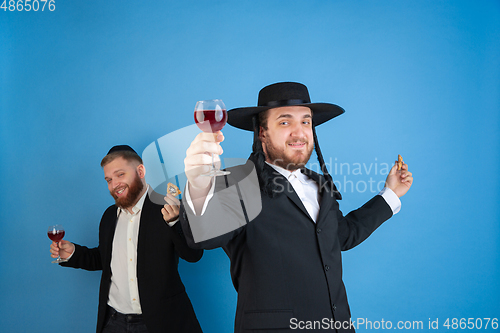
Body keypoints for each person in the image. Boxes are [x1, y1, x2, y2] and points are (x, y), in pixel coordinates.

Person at [177, 82, 413, 332]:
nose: (299, 133)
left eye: (306, 122)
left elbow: (342, 235)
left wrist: (390, 194)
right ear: (262, 132)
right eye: (285, 122)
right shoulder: (238, 182)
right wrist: (199, 184)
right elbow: (204, 234)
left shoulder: (320, 184)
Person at [50, 145, 204, 333]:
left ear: (140, 171)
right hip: (113, 322)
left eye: (120, 174)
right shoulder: (109, 216)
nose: (114, 185)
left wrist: (175, 223)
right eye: (108, 180)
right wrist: (74, 253)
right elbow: (105, 259)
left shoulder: (168, 208)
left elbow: (193, 255)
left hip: (160, 321)